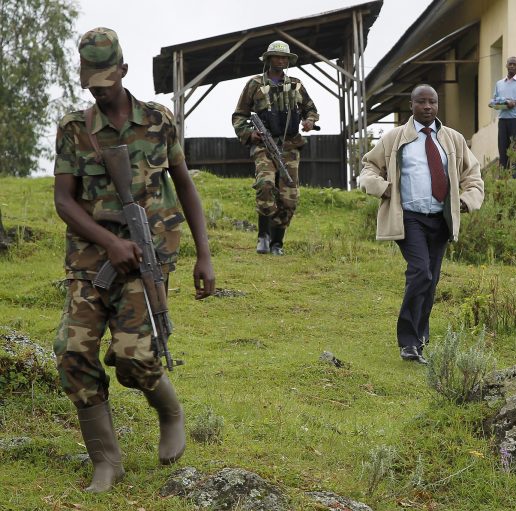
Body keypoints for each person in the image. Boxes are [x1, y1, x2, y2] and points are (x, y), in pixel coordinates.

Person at [52, 27, 215, 493]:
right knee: (72, 352)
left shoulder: (158, 121)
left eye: (107, 79)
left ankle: (169, 410)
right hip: (90, 259)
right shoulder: (74, 129)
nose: (99, 89)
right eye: (91, 81)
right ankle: (106, 461)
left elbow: (185, 186)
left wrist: (204, 255)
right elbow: (64, 201)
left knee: (134, 358)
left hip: (149, 256)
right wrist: (109, 242)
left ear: (124, 70)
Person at [359, 84, 484, 364]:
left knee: (432, 280)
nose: (427, 107)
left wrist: (467, 199)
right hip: (409, 216)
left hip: (440, 218)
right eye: (421, 102)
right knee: (421, 273)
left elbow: (472, 174)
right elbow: (369, 166)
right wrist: (382, 187)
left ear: (438, 105)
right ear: (411, 104)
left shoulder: (452, 139)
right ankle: (407, 341)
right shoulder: (395, 138)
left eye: (433, 102)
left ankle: (419, 340)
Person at [232, 40, 319, 256]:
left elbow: (311, 110)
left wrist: (309, 121)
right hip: (264, 143)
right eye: (277, 57)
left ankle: (277, 242)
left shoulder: (297, 84)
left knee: (289, 197)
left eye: (285, 58)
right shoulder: (254, 84)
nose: (281, 61)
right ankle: (263, 235)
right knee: (265, 184)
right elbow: (239, 116)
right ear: (268, 59)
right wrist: (248, 134)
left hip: (290, 145)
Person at [489, 56, 516, 178]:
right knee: (503, 151)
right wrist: (500, 104)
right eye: (510, 64)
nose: (512, 66)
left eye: (514, 64)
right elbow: (494, 102)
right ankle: (503, 178)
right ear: (506, 65)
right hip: (503, 121)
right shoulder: (499, 84)